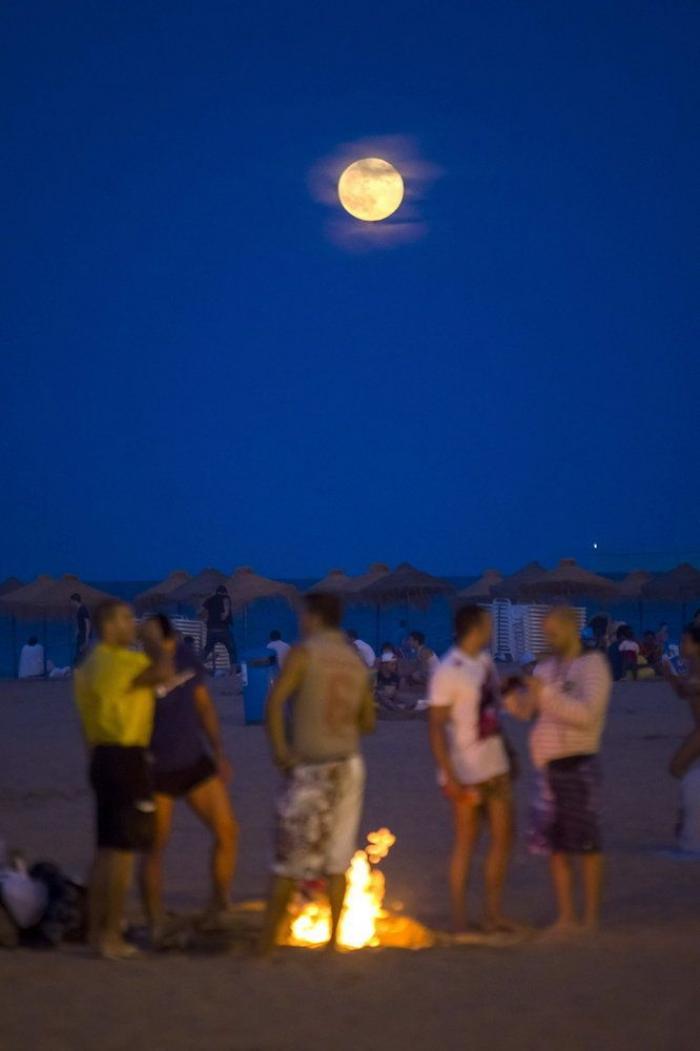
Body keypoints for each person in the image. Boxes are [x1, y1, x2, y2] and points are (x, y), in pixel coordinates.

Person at [258, 593, 376, 954]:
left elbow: (275, 703)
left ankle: (266, 946)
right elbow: (368, 720)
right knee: (338, 858)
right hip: (350, 764)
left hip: (313, 766)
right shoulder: (354, 660)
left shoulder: (304, 653)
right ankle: (334, 942)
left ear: (312, 617)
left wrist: (280, 749)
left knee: (289, 857)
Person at [73, 600, 175, 959]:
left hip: (102, 756)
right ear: (110, 623)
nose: (133, 624)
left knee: (105, 850)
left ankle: (95, 931)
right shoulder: (115, 662)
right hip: (125, 758)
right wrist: (153, 640)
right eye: (128, 618)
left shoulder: (89, 666)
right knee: (122, 854)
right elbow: (163, 671)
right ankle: (109, 935)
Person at [505, 607, 612, 936]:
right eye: (545, 632)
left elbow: (587, 715)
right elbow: (527, 712)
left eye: (553, 632)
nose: (548, 638)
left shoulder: (592, 666)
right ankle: (566, 916)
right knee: (555, 846)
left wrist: (544, 693)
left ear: (571, 628)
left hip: (578, 763)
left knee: (586, 844)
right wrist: (510, 694)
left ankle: (589, 917)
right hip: (548, 767)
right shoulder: (546, 667)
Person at [139, 615, 239, 944]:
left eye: (148, 634)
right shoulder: (137, 665)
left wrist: (219, 751)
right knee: (155, 846)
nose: (143, 639)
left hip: (194, 761)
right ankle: (155, 918)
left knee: (227, 831)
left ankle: (219, 903)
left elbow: (204, 707)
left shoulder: (184, 657)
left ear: (166, 636)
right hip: (155, 770)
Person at [428, 605, 516, 933]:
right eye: (488, 623)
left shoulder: (485, 662)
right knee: (467, 841)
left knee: (503, 838)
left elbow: (490, 710)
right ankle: (460, 919)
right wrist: (449, 774)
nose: (492, 627)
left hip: (496, 764)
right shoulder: (448, 669)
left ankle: (493, 914)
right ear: (476, 627)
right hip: (465, 769)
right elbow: (435, 727)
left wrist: (508, 750)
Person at [665, 624, 700, 852]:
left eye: (685, 641)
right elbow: (683, 692)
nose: (681, 644)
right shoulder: (692, 666)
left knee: (678, 766)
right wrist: (671, 677)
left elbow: (688, 689)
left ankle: (688, 808)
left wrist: (673, 677)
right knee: (678, 767)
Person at [201, 585, 237, 674]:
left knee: (207, 650)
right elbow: (226, 611)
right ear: (225, 592)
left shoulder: (209, 600)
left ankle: (196, 669)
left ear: (217, 592)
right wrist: (224, 616)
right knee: (232, 651)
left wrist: (207, 621)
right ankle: (233, 672)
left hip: (211, 630)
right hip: (223, 630)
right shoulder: (225, 598)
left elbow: (202, 613)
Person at [376, 643, 400, 708]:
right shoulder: (376, 676)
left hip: (388, 703)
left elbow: (395, 695)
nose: (395, 667)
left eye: (395, 664)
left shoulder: (396, 677)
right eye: (392, 664)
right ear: (384, 665)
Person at [70, 593, 91, 665]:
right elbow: (80, 623)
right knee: (81, 653)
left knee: (80, 654)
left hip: (83, 635)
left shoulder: (83, 609)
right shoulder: (80, 610)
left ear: (75, 601)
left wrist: (87, 637)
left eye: (72, 601)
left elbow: (87, 623)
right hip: (81, 634)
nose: (71, 603)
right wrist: (77, 631)